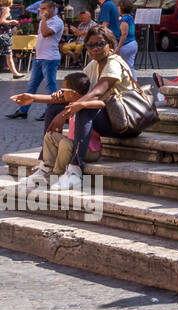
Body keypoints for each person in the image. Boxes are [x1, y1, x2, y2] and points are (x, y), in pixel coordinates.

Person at [43, 25, 148, 191]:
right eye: (90, 45)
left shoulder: (114, 62)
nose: (95, 49)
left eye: (100, 44)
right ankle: (44, 164)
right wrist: (54, 99)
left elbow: (98, 91)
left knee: (85, 108)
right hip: (108, 118)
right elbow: (78, 91)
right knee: (54, 109)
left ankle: (75, 170)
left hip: (126, 122)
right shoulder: (92, 66)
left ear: (110, 46)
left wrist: (67, 112)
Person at [12, 72, 94, 190]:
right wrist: (33, 98)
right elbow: (54, 99)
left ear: (73, 93)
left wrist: (81, 105)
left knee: (65, 143)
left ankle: (58, 174)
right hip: (72, 144)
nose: (61, 91)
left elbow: (101, 103)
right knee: (50, 135)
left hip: (89, 150)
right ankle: (47, 169)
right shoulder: (71, 103)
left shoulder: (86, 106)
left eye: (64, 89)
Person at [6, 0, 62, 120]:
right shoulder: (45, 21)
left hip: (50, 59)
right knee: (31, 86)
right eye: (41, 9)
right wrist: (37, 52)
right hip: (40, 58)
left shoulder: (57, 22)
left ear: (51, 9)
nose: (41, 11)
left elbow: (45, 33)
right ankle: (23, 110)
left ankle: (50, 112)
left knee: (50, 86)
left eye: (44, 9)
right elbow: (41, 39)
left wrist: (43, 20)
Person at [0, 0, 20, 79]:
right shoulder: (6, 9)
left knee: (8, 55)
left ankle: (15, 73)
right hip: (4, 35)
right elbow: (2, 21)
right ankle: (15, 74)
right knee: (9, 55)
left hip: (2, 34)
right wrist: (13, 21)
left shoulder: (1, 9)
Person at [116, 0, 138, 74]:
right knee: (130, 66)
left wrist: (118, 48)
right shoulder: (130, 17)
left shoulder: (124, 20)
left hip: (126, 45)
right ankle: (134, 83)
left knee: (121, 65)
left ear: (120, 8)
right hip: (133, 43)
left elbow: (124, 34)